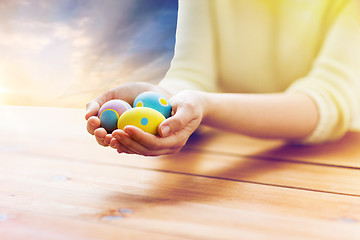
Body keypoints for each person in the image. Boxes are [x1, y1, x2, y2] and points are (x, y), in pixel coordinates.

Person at [85, 0, 360, 156]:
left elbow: (327, 103)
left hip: (335, 158)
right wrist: (167, 98)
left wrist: (204, 107)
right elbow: (193, 73)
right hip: (225, 150)